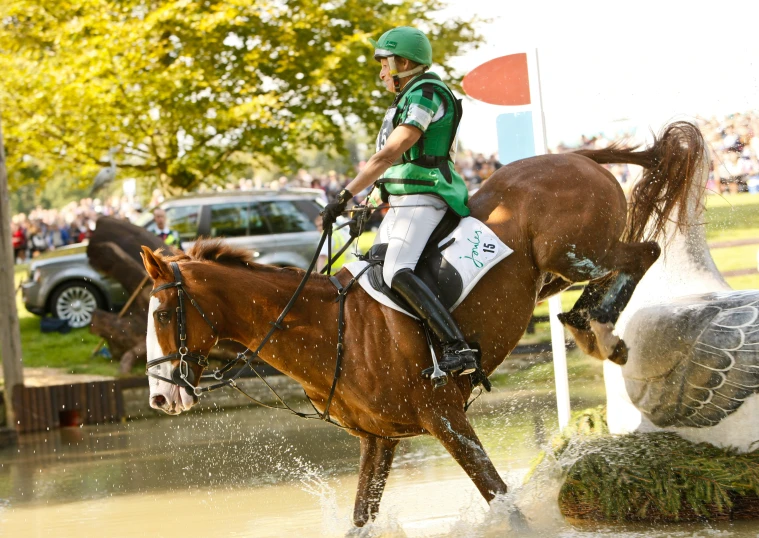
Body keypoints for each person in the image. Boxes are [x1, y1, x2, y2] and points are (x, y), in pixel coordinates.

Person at [321, 26, 476, 377]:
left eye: (384, 64)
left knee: (395, 270)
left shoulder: (426, 95)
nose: (381, 72)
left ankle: (458, 347)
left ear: (403, 62)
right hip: (406, 199)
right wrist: (370, 200)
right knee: (372, 265)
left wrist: (345, 195)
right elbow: (397, 167)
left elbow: (390, 154)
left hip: (427, 196)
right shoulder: (406, 98)